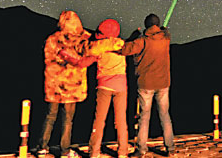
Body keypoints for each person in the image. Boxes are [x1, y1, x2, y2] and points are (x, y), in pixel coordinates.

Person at [38, 11, 95, 158]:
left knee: (50, 116)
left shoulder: (51, 39)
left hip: (54, 86)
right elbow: (83, 57)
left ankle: (42, 147)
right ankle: (65, 150)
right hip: (71, 86)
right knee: (67, 120)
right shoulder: (78, 41)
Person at [120, 14, 175, 157]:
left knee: (144, 117)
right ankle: (170, 148)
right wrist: (162, 30)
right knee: (165, 115)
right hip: (163, 83)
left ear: (146, 25)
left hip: (146, 84)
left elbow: (124, 50)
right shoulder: (165, 39)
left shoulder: (142, 41)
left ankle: (141, 149)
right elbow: (166, 32)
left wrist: (133, 36)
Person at [87, 19, 128, 158]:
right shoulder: (121, 43)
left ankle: (94, 152)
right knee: (121, 121)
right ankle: (123, 152)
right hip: (121, 85)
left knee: (99, 120)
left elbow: (89, 50)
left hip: (104, 84)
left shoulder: (98, 45)